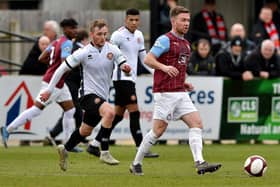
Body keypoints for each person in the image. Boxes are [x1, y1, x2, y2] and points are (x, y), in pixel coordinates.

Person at [129, 6, 221, 176]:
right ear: (173, 21)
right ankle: (136, 163)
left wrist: (184, 83)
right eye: (183, 20)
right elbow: (148, 59)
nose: (187, 23)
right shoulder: (165, 40)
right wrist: (164, 67)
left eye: (188, 20)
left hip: (180, 91)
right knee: (158, 131)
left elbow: (178, 68)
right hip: (165, 92)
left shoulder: (186, 44)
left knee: (197, 124)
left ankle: (200, 162)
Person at [39, 19, 132, 171]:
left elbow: (123, 64)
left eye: (104, 34)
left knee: (85, 131)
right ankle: (104, 151)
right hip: (86, 95)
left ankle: (65, 149)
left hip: (102, 96)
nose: (102, 37)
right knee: (110, 112)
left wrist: (126, 68)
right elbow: (60, 69)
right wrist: (49, 90)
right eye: (99, 34)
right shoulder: (83, 52)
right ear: (91, 35)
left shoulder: (113, 49)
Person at [86, 8, 159, 159]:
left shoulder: (138, 35)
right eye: (131, 20)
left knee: (118, 116)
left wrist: (155, 73)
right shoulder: (118, 35)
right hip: (121, 79)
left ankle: (94, 144)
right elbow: (108, 53)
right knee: (135, 112)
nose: (134, 22)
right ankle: (141, 148)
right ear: (126, 20)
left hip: (130, 79)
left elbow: (144, 59)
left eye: (136, 20)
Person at [1, 18, 78, 148]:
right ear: (65, 29)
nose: (75, 31)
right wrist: (78, 63)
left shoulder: (56, 42)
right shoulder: (67, 44)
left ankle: (69, 144)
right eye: (72, 28)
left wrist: (52, 64)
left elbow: (41, 57)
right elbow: (65, 62)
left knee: (70, 110)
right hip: (53, 82)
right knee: (37, 109)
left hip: (57, 82)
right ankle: (8, 129)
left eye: (76, 28)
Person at [46, 29, 89, 150]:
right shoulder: (80, 50)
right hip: (71, 83)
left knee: (70, 110)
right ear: (85, 39)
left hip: (70, 83)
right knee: (74, 110)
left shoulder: (74, 46)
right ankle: (77, 138)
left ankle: (56, 135)